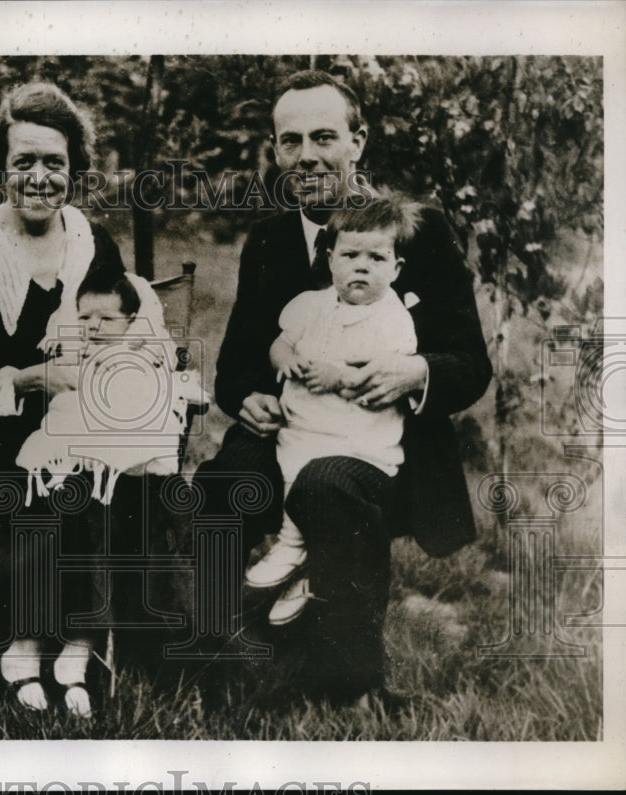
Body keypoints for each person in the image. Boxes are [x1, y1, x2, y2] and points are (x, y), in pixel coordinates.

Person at [194, 70, 492, 706]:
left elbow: (471, 362)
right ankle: (219, 655)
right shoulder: (270, 240)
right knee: (223, 484)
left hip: (386, 448)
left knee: (325, 485)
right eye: (291, 140)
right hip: (290, 429)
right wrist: (247, 398)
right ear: (276, 152)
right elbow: (236, 365)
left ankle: (351, 685)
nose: (307, 156)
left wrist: (417, 371)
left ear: (359, 141)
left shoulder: (417, 230)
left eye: (324, 137)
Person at [0, 82, 128, 718]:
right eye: (24, 162)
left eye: (55, 162)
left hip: (85, 422)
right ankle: (24, 642)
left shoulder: (95, 245)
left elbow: (126, 332)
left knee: (95, 483)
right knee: (25, 489)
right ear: (0, 170)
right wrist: (28, 380)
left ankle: (76, 647)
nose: (40, 177)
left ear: (74, 169)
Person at [246, 195, 419, 626]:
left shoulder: (393, 319)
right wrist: (284, 359)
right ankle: (293, 548)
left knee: (321, 483)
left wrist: (339, 377)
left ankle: (311, 569)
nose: (362, 267)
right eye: (350, 256)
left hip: (357, 440)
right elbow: (280, 342)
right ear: (329, 260)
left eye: (376, 258)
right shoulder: (310, 305)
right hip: (303, 427)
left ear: (396, 269)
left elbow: (382, 373)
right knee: (292, 469)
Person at [15, 269, 196, 506]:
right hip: (76, 447)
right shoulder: (74, 354)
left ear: (131, 320)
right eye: (84, 318)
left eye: (107, 319)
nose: (93, 326)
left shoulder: (141, 353)